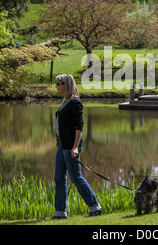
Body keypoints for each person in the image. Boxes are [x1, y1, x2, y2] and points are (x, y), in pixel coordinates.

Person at [52, 74, 102, 219]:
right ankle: (60, 212)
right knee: (59, 178)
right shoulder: (65, 101)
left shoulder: (75, 102)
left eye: (58, 83)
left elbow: (79, 126)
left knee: (75, 177)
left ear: (66, 85)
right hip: (61, 144)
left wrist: (75, 147)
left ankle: (95, 207)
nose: (56, 86)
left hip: (70, 145)